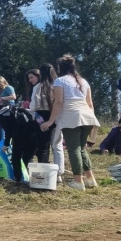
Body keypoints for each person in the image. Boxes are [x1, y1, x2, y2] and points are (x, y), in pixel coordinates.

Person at [40, 55, 100, 190]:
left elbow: (59, 102)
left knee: (73, 150)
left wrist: (50, 121)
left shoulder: (60, 81)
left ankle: (78, 181)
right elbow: (90, 104)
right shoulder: (84, 81)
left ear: (60, 67)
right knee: (82, 148)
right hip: (87, 116)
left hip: (71, 117)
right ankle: (90, 179)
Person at [29, 63, 64, 174]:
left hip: (42, 118)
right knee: (57, 146)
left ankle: (44, 173)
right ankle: (59, 173)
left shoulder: (38, 87)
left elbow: (33, 106)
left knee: (43, 147)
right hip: (56, 116)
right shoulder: (58, 86)